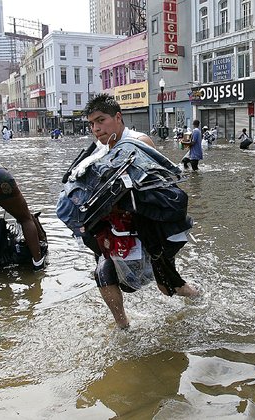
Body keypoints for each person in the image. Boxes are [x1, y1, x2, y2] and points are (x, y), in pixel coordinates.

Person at [75, 93, 198, 328]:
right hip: (117, 231)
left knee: (167, 286)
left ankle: (196, 297)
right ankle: (124, 328)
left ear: (118, 117)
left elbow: (156, 190)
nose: (96, 128)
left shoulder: (138, 142)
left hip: (149, 230)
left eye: (101, 120)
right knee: (103, 274)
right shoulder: (99, 151)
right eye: (91, 124)